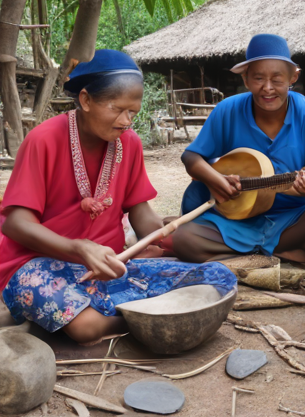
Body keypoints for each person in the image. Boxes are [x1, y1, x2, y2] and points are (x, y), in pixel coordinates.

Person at [0, 50, 236, 345]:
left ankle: (130, 314)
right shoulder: (43, 139)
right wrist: (79, 248)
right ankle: (142, 317)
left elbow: (140, 212)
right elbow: (15, 224)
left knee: (217, 277)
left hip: (109, 267)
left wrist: (173, 237)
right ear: (85, 100)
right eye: (118, 109)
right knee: (85, 327)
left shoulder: (130, 143)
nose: (127, 121)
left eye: (133, 112)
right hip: (38, 264)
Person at [172, 34, 305, 264]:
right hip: (237, 221)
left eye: (277, 79)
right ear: (246, 79)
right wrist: (215, 179)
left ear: (293, 77)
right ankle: (283, 253)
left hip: (294, 217)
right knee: (184, 240)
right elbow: (191, 157)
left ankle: (248, 255)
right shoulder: (227, 110)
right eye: (258, 78)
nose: (267, 89)